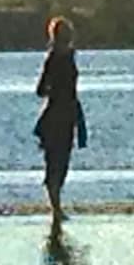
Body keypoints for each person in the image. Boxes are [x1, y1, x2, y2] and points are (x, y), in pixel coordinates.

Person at [34, 16, 86, 228]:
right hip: (60, 114)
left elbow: (41, 90)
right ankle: (56, 208)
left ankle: (56, 207)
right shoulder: (56, 58)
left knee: (59, 161)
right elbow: (41, 89)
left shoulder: (63, 58)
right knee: (57, 161)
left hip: (64, 113)